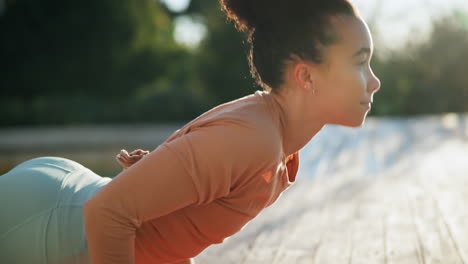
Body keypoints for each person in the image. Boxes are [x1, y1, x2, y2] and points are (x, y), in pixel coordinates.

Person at [0, 0, 381, 263]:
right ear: (306, 75)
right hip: (46, 225)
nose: (374, 82)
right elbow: (107, 214)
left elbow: (168, 234)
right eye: (360, 63)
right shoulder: (253, 140)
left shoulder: (273, 143)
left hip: (59, 207)